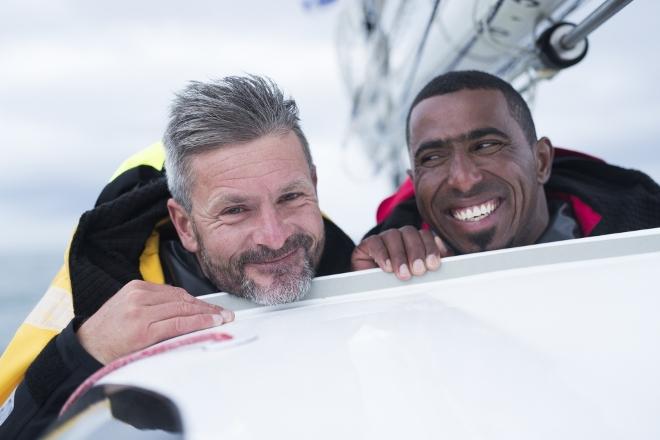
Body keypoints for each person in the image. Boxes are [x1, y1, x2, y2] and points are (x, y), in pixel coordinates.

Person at [0, 75, 356, 438]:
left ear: (313, 185)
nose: (275, 236)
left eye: (291, 198)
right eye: (235, 211)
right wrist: (83, 352)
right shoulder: (96, 298)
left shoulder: (360, 265)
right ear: (185, 225)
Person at [352, 70, 660, 277]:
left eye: (486, 146)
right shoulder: (388, 269)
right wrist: (368, 292)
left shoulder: (645, 231)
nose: (462, 178)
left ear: (541, 161)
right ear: (415, 180)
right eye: (433, 157)